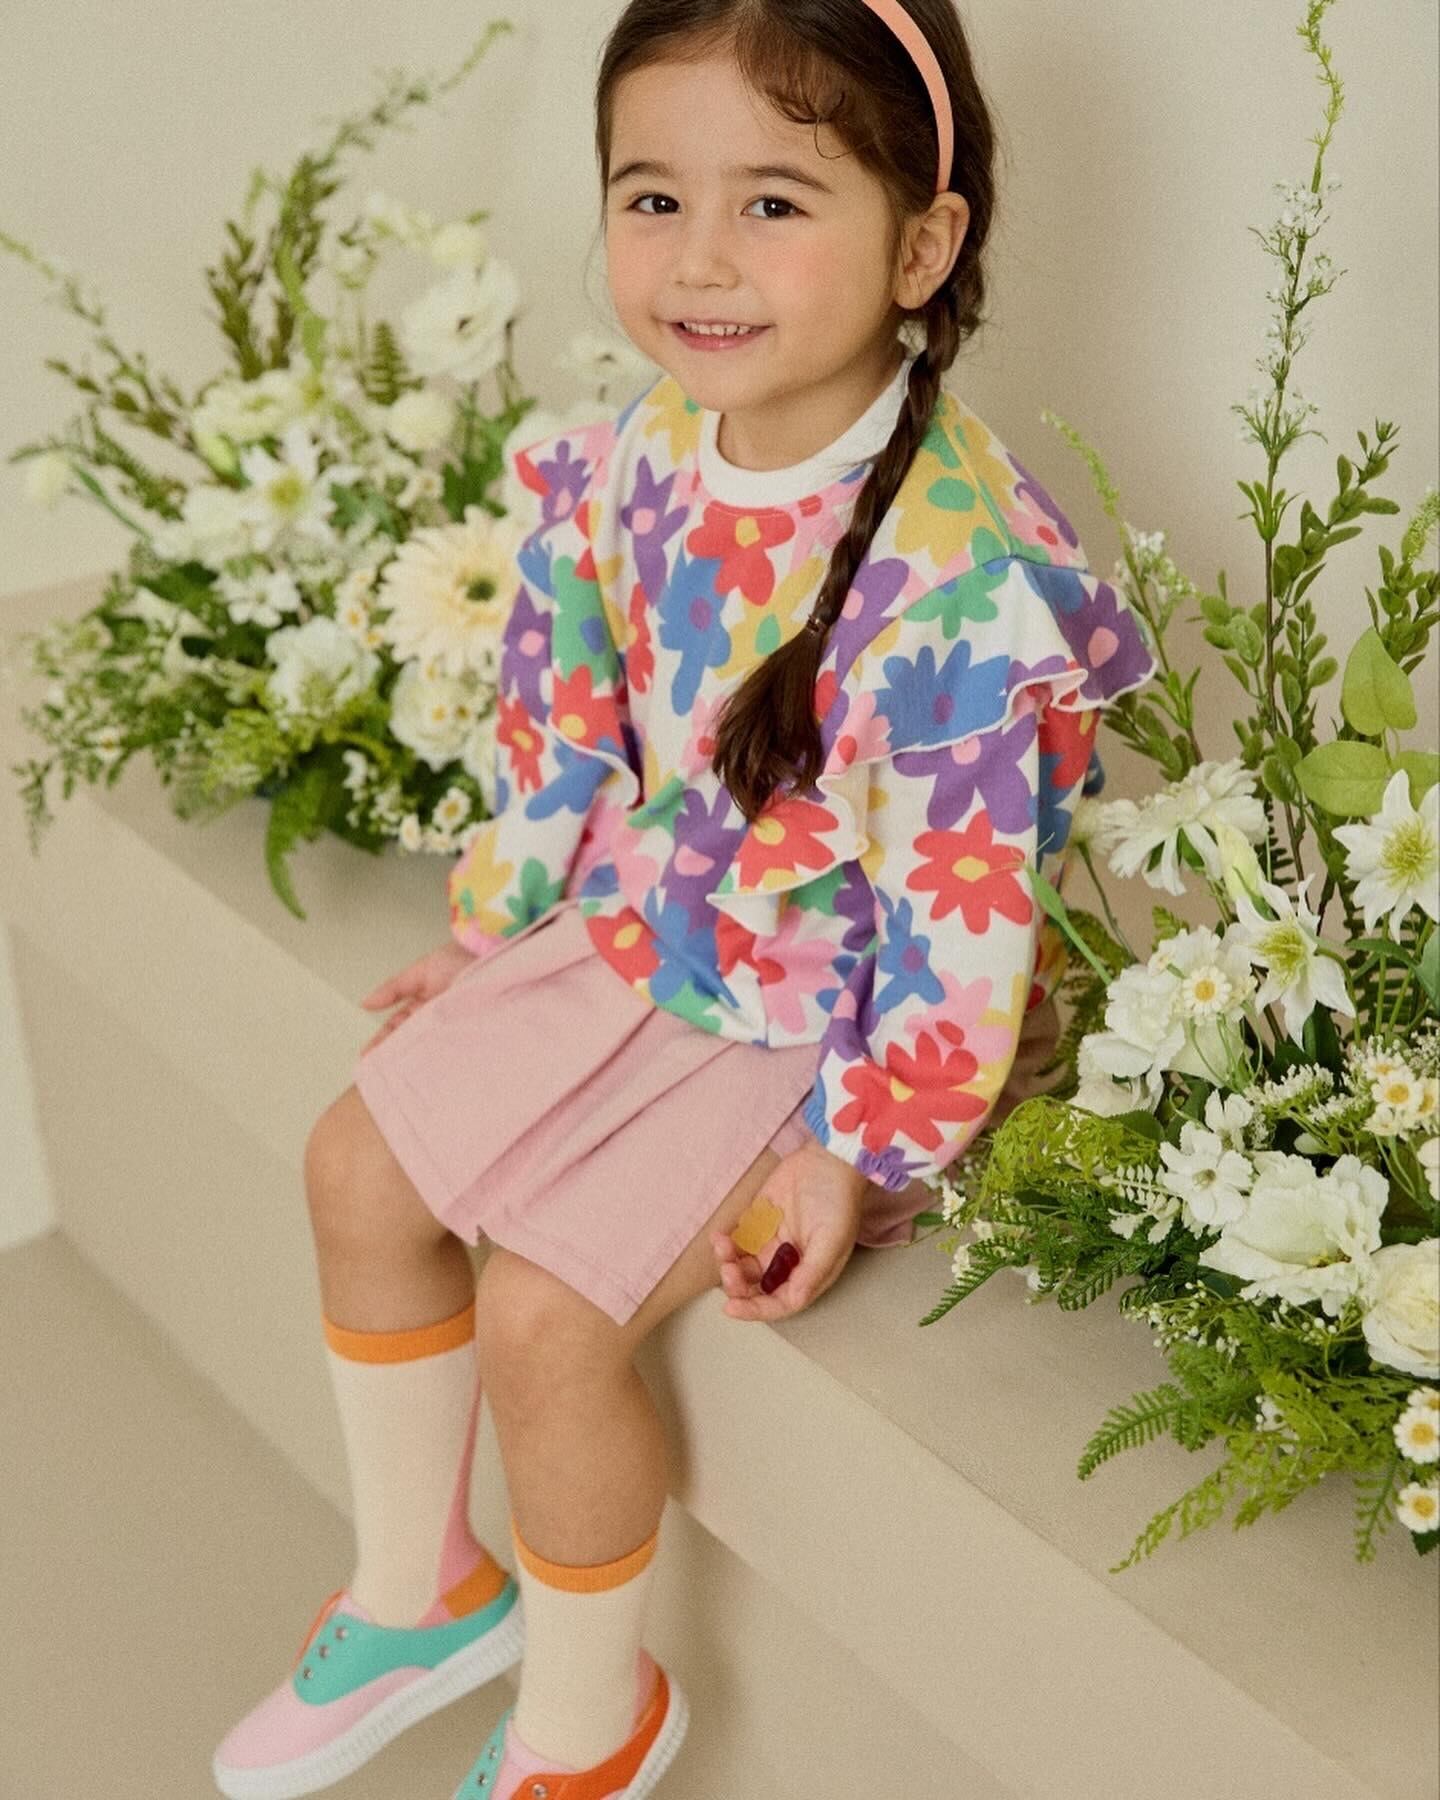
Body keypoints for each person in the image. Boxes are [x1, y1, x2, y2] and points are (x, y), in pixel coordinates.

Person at [213, 2, 1155, 1796]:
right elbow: (562, 698)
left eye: (774, 203)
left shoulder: (956, 581)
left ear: (922, 245)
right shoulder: (648, 446)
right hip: (653, 927)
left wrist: (860, 1151)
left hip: (827, 1019)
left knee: (545, 1317)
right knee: (355, 1164)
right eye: (653, 198)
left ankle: (589, 1725)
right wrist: (501, 920)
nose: (701, 258)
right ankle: (419, 1591)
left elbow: (963, 917)